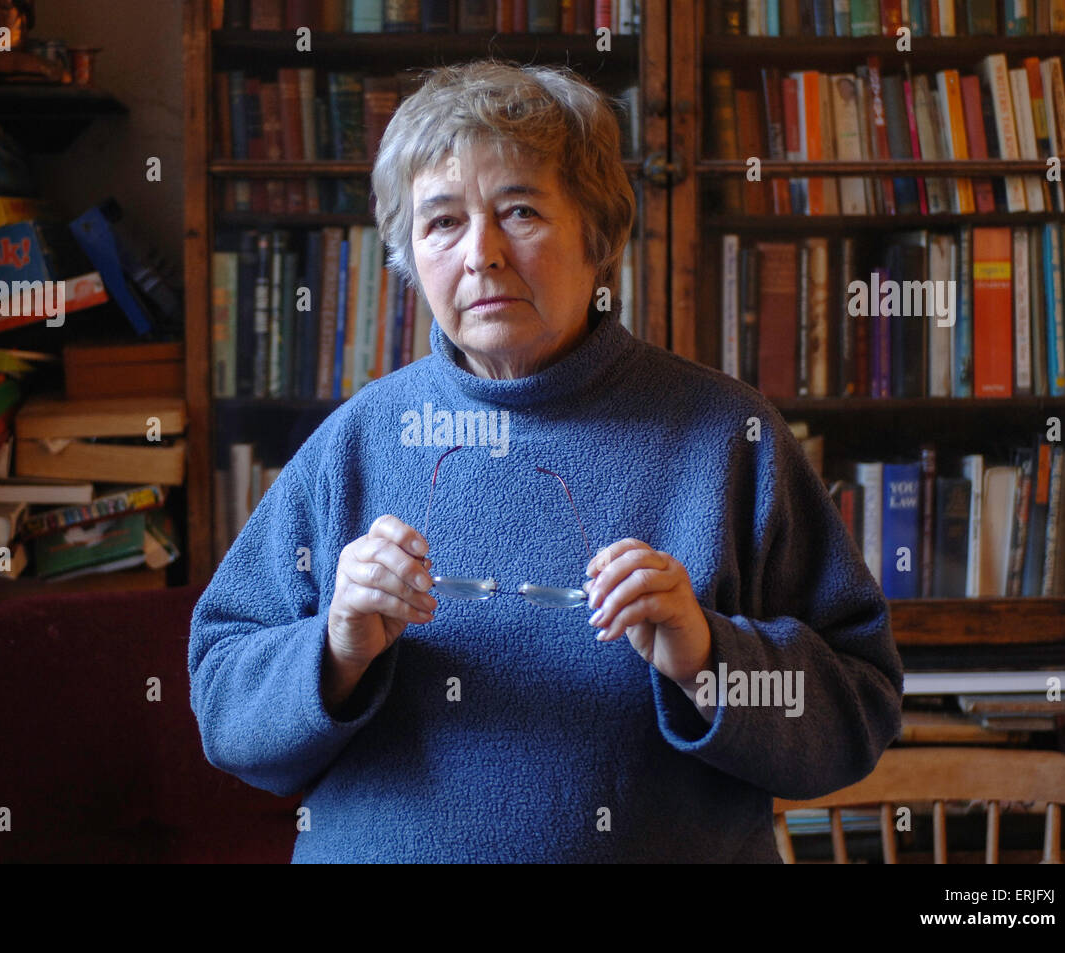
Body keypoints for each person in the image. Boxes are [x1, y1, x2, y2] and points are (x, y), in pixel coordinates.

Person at [189, 59, 903, 863]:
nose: (481, 254)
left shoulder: (729, 437)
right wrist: (338, 647)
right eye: (442, 223)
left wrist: (708, 656)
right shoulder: (355, 441)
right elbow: (222, 705)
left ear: (598, 235)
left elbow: (860, 707)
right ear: (409, 254)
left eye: (519, 210)